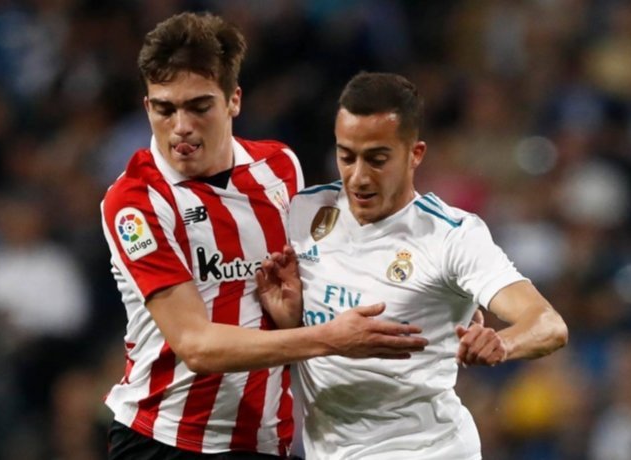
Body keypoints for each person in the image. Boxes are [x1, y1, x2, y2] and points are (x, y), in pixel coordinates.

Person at [99, 14, 428, 460]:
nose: (181, 127)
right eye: (165, 108)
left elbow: (335, 268)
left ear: (233, 100)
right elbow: (196, 345)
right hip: (166, 440)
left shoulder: (279, 168)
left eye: (199, 107)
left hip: (266, 440)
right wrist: (330, 337)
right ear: (147, 108)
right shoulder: (135, 201)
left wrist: (442, 299)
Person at [256, 72, 569, 459]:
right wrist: (292, 319)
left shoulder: (451, 236)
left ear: (415, 154)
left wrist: (502, 343)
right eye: (346, 156)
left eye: (377, 158)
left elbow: (549, 324)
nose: (358, 175)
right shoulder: (305, 213)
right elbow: (324, 340)